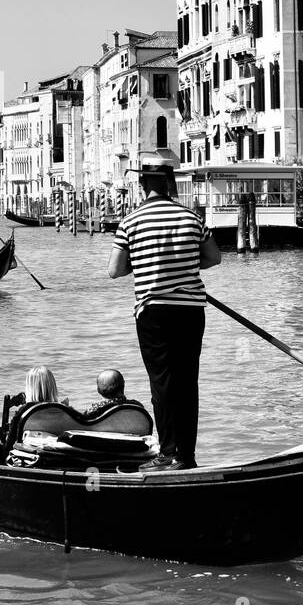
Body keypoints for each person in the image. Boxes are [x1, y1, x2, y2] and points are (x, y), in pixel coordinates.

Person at [108, 153, 221, 470]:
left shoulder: (130, 222)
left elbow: (114, 270)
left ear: (143, 184)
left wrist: (146, 263)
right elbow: (214, 258)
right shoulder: (190, 218)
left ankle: (168, 453)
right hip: (190, 310)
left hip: (153, 310)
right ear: (170, 183)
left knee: (163, 383)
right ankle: (186, 456)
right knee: (188, 383)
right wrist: (182, 266)